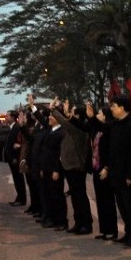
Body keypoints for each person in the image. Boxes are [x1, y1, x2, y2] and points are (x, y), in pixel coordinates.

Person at [102, 94, 131, 247]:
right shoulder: (115, 124)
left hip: (128, 174)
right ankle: (127, 231)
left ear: (122, 107)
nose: (111, 109)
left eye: (113, 106)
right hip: (116, 173)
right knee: (122, 205)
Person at [50, 98, 93, 235]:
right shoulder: (72, 129)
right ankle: (78, 222)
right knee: (75, 197)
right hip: (69, 166)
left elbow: (64, 122)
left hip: (77, 167)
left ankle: (86, 224)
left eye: (73, 113)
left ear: (78, 116)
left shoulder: (79, 130)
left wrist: (55, 111)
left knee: (80, 197)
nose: (70, 115)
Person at [86, 104, 119, 241]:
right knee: (100, 200)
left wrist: (107, 167)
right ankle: (104, 230)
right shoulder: (96, 130)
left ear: (104, 115)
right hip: (96, 168)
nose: (97, 115)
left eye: (99, 113)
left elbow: (111, 152)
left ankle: (112, 230)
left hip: (106, 169)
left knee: (108, 200)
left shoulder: (109, 128)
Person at [4, 110, 26, 207]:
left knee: (19, 179)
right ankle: (19, 197)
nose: (6, 117)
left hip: (15, 158)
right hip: (11, 158)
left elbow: (20, 142)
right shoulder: (12, 127)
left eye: (7, 116)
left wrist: (15, 156)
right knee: (16, 179)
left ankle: (21, 199)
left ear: (13, 117)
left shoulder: (17, 127)